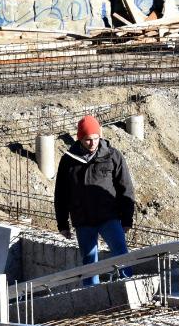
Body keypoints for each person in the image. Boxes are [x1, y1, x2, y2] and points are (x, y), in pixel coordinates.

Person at [54, 115, 135, 286]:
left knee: (121, 254)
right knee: (90, 263)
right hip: (83, 220)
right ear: (80, 138)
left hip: (109, 217)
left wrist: (127, 219)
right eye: (88, 140)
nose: (92, 143)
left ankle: (129, 286)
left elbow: (125, 188)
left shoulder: (113, 156)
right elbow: (61, 194)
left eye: (96, 138)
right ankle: (92, 293)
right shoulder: (68, 160)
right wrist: (62, 224)